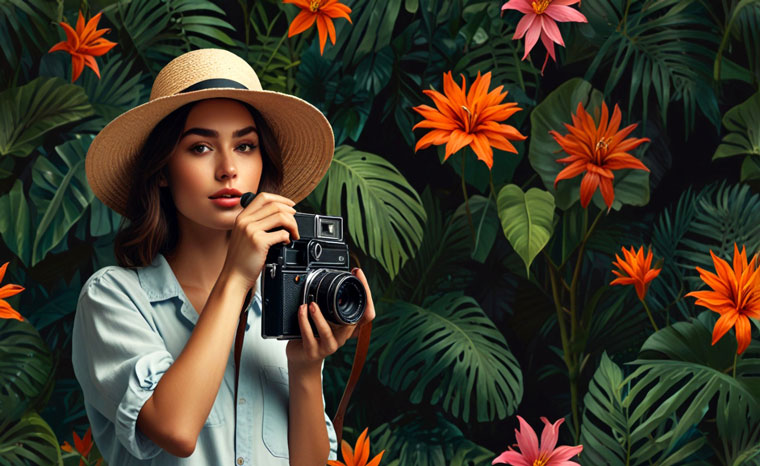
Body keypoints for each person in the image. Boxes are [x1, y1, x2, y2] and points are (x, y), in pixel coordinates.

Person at [71, 48, 375, 466]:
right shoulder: (115, 298)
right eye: (200, 148)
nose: (229, 168)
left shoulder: (283, 301)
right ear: (162, 170)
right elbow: (175, 429)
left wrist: (305, 368)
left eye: (246, 146)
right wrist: (234, 276)